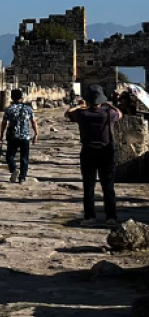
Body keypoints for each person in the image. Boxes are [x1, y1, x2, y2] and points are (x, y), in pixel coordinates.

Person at [65, 85, 122, 225]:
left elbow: (67, 113)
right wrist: (110, 105)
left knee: (88, 186)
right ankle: (111, 217)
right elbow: (120, 114)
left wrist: (79, 106)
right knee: (108, 186)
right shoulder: (108, 114)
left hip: (88, 151)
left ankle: (90, 216)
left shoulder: (82, 114)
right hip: (106, 152)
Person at [0, 89, 38, 183]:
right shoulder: (28, 109)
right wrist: (36, 133)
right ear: (21, 98)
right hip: (25, 137)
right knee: (24, 157)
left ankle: (13, 169)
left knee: (9, 156)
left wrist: (1, 133)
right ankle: (22, 177)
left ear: (12, 98)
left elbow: (4, 123)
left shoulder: (9, 109)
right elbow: (33, 122)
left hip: (13, 136)